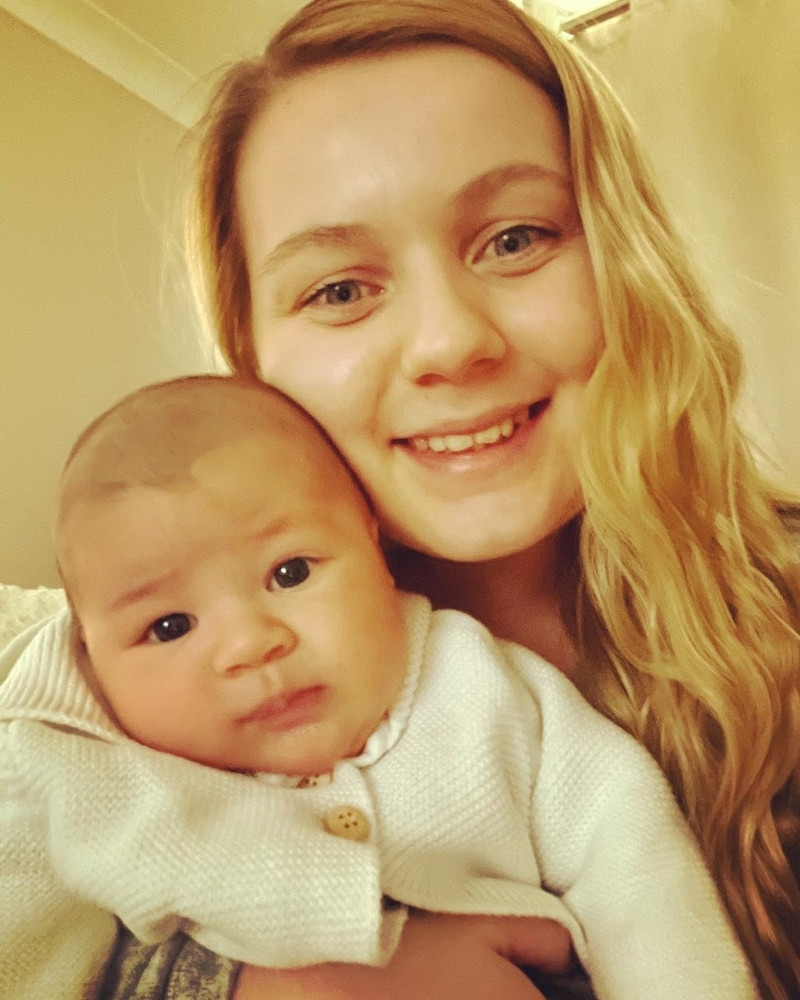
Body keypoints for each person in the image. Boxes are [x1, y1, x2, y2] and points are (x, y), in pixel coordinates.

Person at [1, 0, 797, 997]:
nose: (449, 343)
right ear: (251, 355)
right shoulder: (93, 684)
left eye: (515, 238)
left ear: (624, 260)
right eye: (339, 290)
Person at [0, 374, 756, 1000]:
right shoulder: (78, 765)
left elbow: (634, 861)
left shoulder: (480, 684)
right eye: (170, 627)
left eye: (291, 572)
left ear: (372, 544)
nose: (252, 644)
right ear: (87, 652)